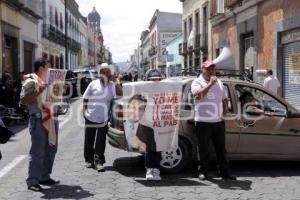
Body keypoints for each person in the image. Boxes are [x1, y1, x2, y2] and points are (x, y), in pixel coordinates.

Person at [191, 60, 236, 180]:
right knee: (203, 148)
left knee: (221, 149)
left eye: (213, 68)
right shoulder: (197, 82)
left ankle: (224, 172)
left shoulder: (219, 82)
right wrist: (210, 84)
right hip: (202, 121)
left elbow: (224, 98)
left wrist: (225, 112)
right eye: (208, 68)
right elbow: (197, 96)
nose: (211, 70)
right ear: (202, 69)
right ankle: (203, 172)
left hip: (218, 121)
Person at [21, 58, 59, 192]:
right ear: (42, 68)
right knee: (37, 152)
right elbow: (24, 100)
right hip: (37, 120)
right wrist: (40, 90)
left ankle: (44, 176)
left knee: (51, 149)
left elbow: (54, 99)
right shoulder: (31, 81)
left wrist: (61, 89)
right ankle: (32, 181)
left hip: (51, 118)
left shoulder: (49, 81)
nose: (52, 69)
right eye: (49, 66)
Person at [82, 65, 122, 172]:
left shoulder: (112, 85)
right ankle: (89, 159)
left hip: (104, 118)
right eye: (103, 71)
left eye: (107, 71)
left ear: (110, 73)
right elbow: (85, 97)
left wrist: (116, 82)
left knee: (101, 140)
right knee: (89, 139)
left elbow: (120, 94)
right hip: (90, 115)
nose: (105, 73)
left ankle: (99, 161)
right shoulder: (93, 84)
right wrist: (84, 110)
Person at [124, 94, 161, 181]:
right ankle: (149, 169)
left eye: (140, 109)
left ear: (144, 111)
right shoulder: (126, 126)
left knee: (156, 146)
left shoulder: (148, 128)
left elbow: (154, 147)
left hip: (150, 141)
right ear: (128, 107)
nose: (136, 111)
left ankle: (155, 169)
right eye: (133, 107)